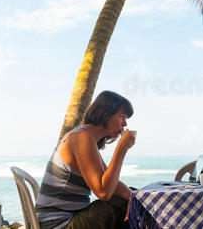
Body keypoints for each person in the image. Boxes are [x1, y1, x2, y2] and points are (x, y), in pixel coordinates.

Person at [35, 91, 136, 229]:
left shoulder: (85, 137)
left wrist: (133, 196)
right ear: (105, 114)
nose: (124, 124)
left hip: (61, 220)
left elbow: (111, 182)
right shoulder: (82, 138)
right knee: (123, 206)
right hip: (59, 224)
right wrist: (122, 149)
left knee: (133, 198)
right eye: (122, 117)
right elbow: (103, 193)